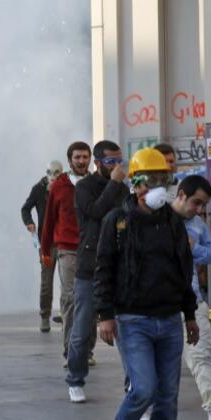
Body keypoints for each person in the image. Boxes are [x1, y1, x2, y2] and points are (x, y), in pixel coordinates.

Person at [97, 148, 198, 420]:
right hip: (132, 320)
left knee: (168, 397)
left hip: (169, 320)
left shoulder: (173, 222)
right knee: (144, 388)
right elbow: (104, 270)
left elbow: (183, 270)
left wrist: (190, 314)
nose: (159, 187)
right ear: (136, 185)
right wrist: (105, 316)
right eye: (152, 180)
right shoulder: (118, 222)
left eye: (164, 180)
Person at [170, 175, 211, 420]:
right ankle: (145, 405)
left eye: (202, 206)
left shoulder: (197, 225)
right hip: (158, 304)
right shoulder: (158, 219)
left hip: (192, 299)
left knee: (201, 354)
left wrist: (192, 248)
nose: (198, 210)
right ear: (181, 194)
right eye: (196, 203)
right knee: (155, 362)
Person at [66, 140, 126, 402]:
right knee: (82, 329)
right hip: (90, 267)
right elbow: (96, 213)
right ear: (98, 163)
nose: (116, 167)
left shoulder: (123, 189)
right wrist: (113, 184)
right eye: (111, 162)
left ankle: (133, 384)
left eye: (119, 161)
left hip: (120, 267)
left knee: (127, 330)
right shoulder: (83, 187)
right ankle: (75, 379)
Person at [41, 142, 91, 363]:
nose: (81, 161)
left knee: (90, 299)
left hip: (91, 249)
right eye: (77, 157)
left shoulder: (95, 184)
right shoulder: (59, 187)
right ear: (70, 160)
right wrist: (45, 250)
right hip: (67, 250)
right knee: (70, 299)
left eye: (85, 157)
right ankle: (70, 351)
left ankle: (87, 350)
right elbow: (49, 220)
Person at [22, 160, 64, 332]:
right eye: (50, 172)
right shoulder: (39, 189)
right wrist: (29, 222)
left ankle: (66, 314)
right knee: (46, 282)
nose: (53, 176)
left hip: (65, 241)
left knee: (67, 281)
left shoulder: (67, 187)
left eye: (56, 173)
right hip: (46, 243)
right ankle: (45, 315)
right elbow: (25, 208)